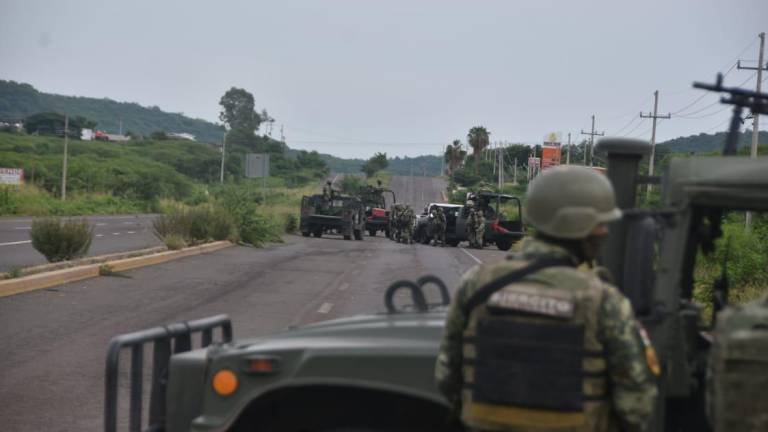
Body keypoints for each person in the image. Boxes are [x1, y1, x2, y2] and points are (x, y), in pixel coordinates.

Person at [435, 166, 658, 432]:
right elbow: (636, 404)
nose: (605, 233)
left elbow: (447, 378)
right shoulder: (603, 300)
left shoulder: (476, 284)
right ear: (580, 225)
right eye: (600, 224)